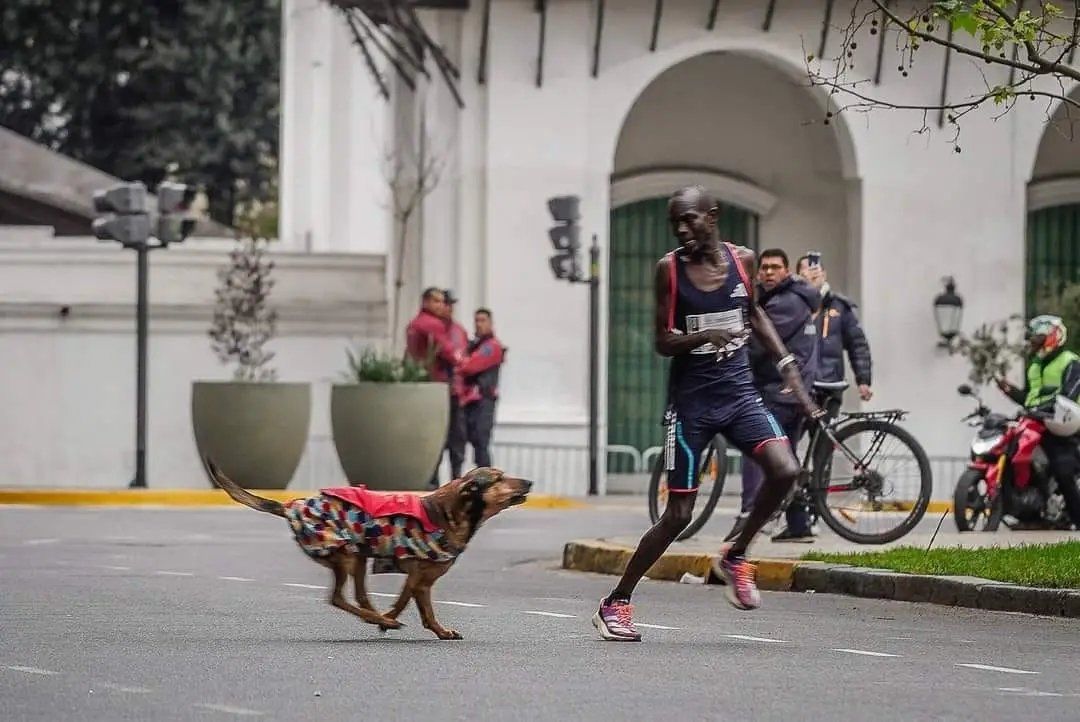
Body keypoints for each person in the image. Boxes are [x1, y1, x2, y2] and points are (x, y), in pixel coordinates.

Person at [592, 186, 822, 642]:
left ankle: (735, 555)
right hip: (691, 407)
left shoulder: (743, 261)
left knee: (786, 469)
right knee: (679, 515)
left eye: (691, 219)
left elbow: (754, 313)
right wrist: (701, 338)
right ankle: (615, 602)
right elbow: (661, 341)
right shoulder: (669, 270)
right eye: (675, 222)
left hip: (739, 396)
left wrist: (787, 366)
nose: (683, 229)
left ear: (712, 217)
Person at [725, 248, 820, 544]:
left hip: (783, 391)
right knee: (785, 456)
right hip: (787, 390)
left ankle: (749, 511)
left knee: (759, 450)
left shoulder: (788, 302)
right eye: (763, 268)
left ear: (787, 272)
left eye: (774, 267)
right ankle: (798, 523)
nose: (767, 272)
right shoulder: (782, 298)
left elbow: (757, 343)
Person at [995, 315, 1080, 529]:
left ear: (1053, 337)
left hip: (1063, 424)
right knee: (1013, 454)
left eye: (1039, 337)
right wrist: (1010, 391)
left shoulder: (1070, 361)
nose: (1034, 341)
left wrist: (1045, 408)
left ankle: (1077, 519)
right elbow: (1030, 400)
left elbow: (1069, 394)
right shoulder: (1035, 366)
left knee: (1063, 469)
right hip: (1035, 421)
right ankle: (1028, 512)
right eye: (1034, 338)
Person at [405, 287, 463, 488]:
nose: (442, 306)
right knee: (447, 436)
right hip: (438, 386)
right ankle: (441, 480)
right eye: (437, 302)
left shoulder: (414, 324)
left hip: (420, 384)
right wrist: (461, 359)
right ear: (427, 302)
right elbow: (449, 352)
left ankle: (431, 479)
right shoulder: (432, 324)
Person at [795, 255, 873, 402]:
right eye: (805, 270)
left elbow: (858, 345)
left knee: (826, 424)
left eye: (814, 269)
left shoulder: (840, 307)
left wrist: (863, 380)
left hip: (830, 384)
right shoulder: (792, 305)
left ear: (824, 274)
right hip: (799, 385)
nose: (810, 274)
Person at [458, 308, 506, 468]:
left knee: (480, 443)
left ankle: (486, 481)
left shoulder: (491, 346)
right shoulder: (476, 345)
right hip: (471, 400)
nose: (479, 324)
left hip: (483, 400)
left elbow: (470, 366)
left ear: (491, 323)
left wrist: (462, 362)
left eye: (483, 320)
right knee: (464, 440)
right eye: (477, 321)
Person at [441, 290, 470, 481]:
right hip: (438, 393)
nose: (449, 308)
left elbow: (466, 359)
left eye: (451, 304)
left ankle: (456, 479)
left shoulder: (459, 331)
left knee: (458, 440)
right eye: (446, 303)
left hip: (457, 394)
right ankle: (431, 483)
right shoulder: (434, 329)